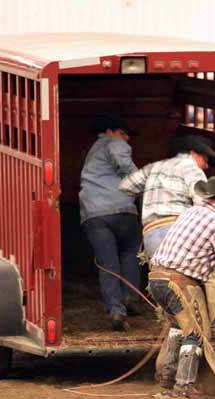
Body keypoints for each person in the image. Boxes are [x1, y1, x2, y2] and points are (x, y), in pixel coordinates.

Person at [148, 176, 215, 399]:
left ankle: (167, 381)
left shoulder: (190, 212)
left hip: (157, 278)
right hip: (181, 283)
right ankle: (184, 386)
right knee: (196, 334)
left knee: (177, 329)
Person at [79, 115, 141, 331]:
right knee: (131, 253)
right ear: (110, 131)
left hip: (95, 214)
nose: (127, 139)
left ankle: (116, 310)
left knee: (108, 264)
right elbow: (124, 161)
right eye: (124, 133)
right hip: (122, 210)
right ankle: (131, 297)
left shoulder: (92, 154)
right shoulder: (113, 143)